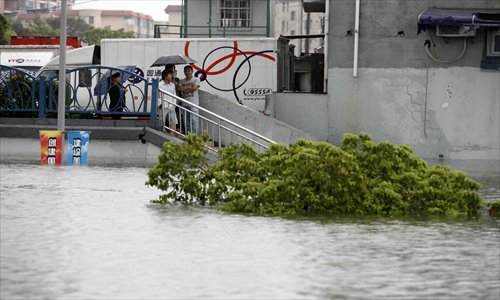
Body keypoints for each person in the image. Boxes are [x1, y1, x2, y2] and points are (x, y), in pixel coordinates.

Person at [177, 65, 200, 134]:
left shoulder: (196, 79)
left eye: (189, 71)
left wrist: (185, 89)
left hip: (194, 103)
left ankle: (194, 137)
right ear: (184, 72)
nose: (187, 72)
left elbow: (194, 88)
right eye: (186, 71)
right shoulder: (181, 81)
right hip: (184, 104)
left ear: (192, 71)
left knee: (194, 121)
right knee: (186, 122)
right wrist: (190, 88)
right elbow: (179, 88)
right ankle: (188, 136)